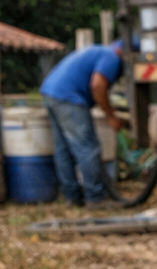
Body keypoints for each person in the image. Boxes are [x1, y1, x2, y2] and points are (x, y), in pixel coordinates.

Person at [40, 40, 123, 207]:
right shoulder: (112, 56)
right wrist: (111, 115)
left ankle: (72, 197)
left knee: (63, 149)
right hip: (68, 97)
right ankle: (95, 198)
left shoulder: (97, 51)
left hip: (50, 92)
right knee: (87, 148)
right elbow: (98, 85)